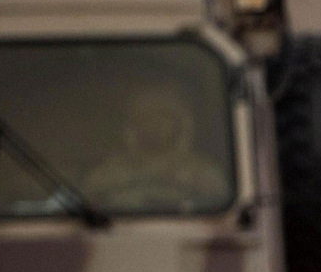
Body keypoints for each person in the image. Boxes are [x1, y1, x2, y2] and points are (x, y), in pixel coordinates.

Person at [86, 84, 225, 210]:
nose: (155, 123)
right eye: (144, 117)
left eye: (164, 115)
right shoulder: (108, 173)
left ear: (181, 122)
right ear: (131, 124)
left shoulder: (203, 173)